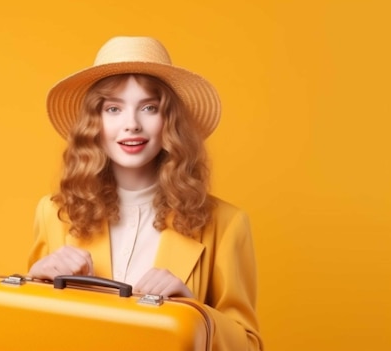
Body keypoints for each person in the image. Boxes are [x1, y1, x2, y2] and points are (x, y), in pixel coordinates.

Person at [27, 36, 262, 351]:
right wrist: (32, 285)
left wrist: (193, 313)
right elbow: (30, 333)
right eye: (113, 108)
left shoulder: (227, 224)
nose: (131, 125)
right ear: (94, 123)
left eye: (149, 107)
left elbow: (249, 345)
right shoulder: (54, 214)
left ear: (169, 121)